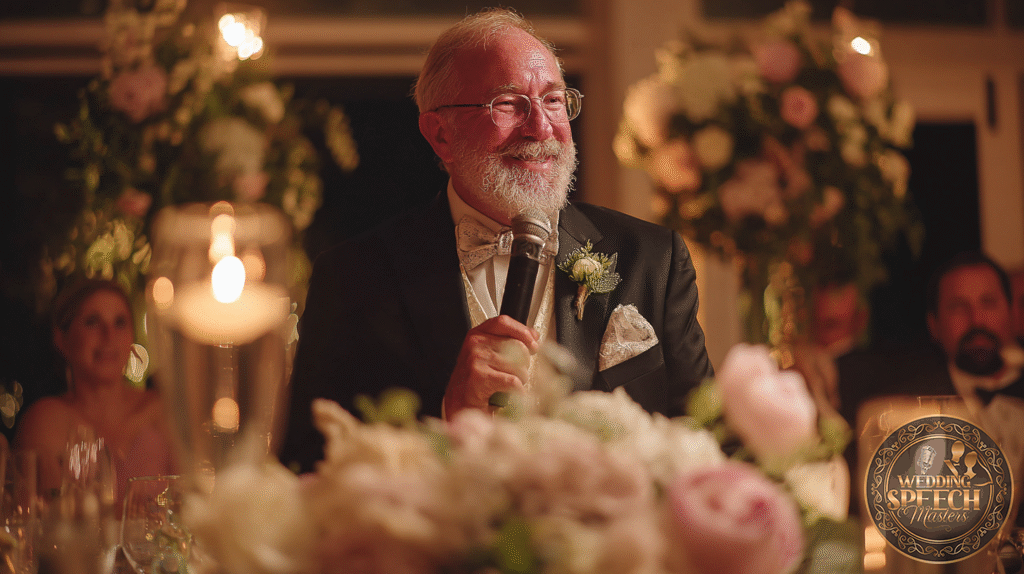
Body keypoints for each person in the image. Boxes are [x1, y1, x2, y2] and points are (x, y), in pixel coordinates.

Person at [280, 8, 713, 472]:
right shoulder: (355, 279)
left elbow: (709, 443)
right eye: (507, 104)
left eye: (552, 100)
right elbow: (308, 469)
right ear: (439, 134)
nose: (541, 128)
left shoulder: (652, 259)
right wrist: (449, 420)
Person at [14, 279, 175, 506]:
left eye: (120, 323)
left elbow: (194, 502)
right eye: (92, 322)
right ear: (62, 340)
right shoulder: (46, 420)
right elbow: (44, 522)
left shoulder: (161, 410)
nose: (109, 336)